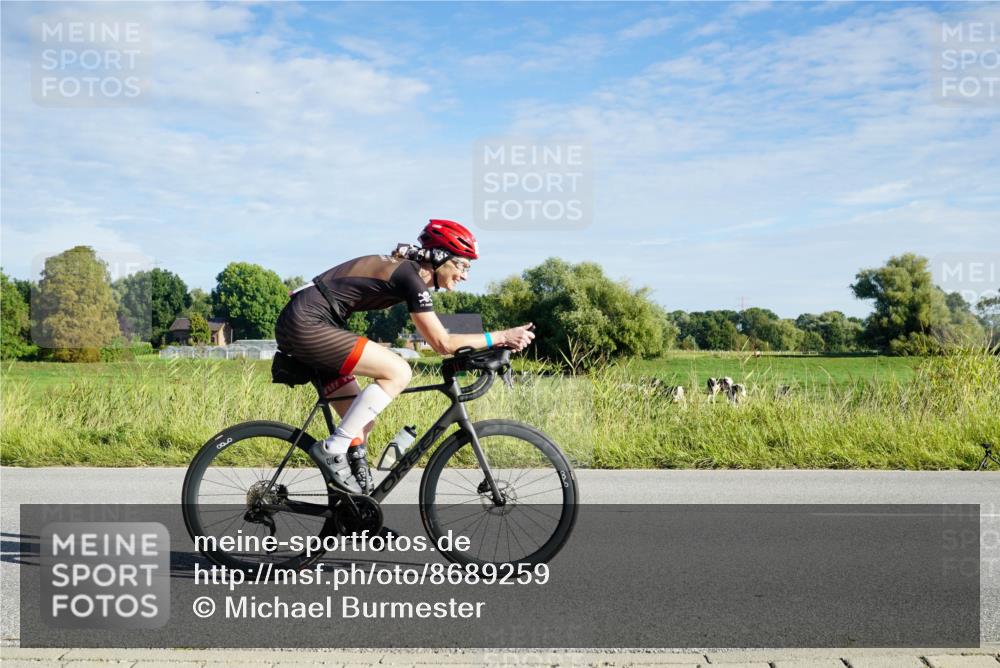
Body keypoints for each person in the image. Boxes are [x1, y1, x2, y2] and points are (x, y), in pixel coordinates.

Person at [274, 219, 535, 494]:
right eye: (462, 265)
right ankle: (331, 449)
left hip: (310, 322)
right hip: (307, 323)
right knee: (398, 371)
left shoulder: (408, 272)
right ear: (440, 258)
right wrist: (502, 336)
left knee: (360, 424)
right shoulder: (410, 277)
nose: (465, 275)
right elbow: (442, 343)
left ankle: (353, 509)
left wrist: (490, 347)